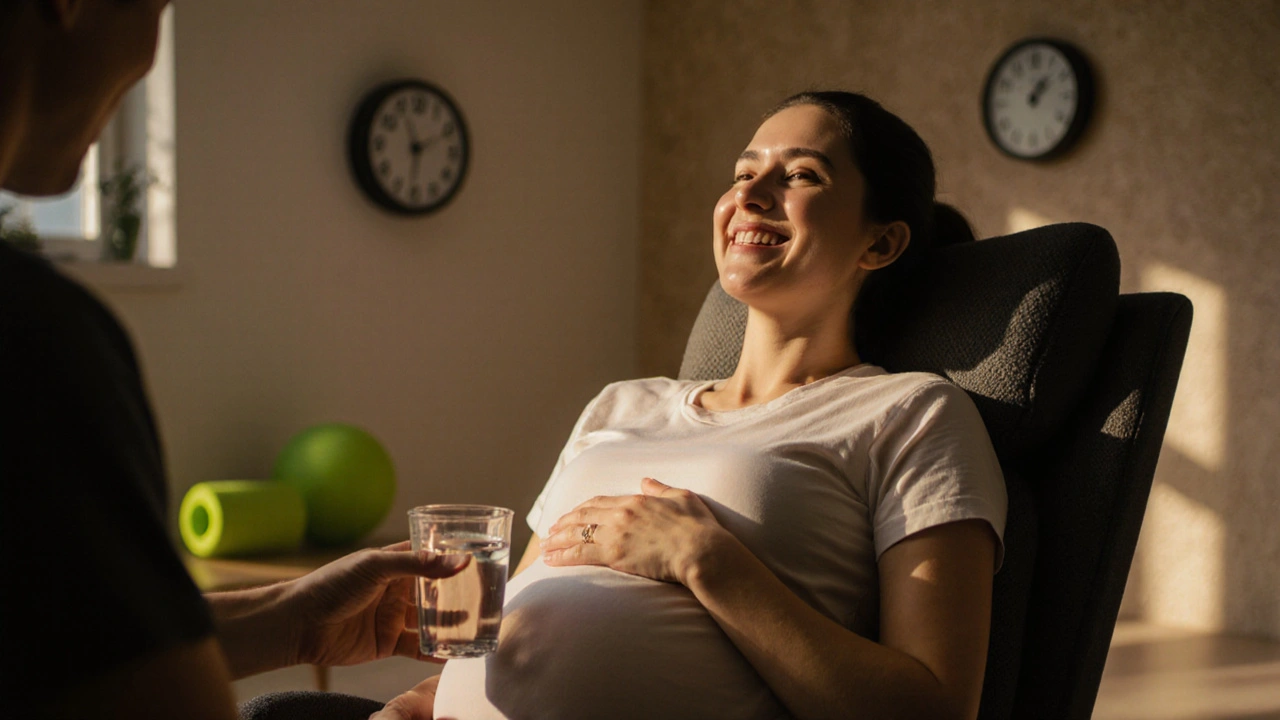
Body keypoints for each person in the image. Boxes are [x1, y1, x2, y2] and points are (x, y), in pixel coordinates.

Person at [378, 91, 1008, 720]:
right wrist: (413, 705)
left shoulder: (912, 413)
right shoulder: (619, 404)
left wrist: (703, 559)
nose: (749, 194)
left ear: (881, 243)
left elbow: (936, 710)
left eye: (800, 175)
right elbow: (512, 616)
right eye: (743, 172)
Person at [0, 2, 465, 717]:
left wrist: (293, 620)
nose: (150, 53)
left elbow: (54, 647)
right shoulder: (34, 341)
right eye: (157, 6)